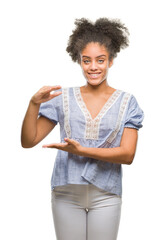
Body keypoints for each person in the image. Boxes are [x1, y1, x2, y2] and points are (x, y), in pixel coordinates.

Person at [21, 18, 144, 240]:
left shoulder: (127, 102)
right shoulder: (62, 98)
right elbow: (28, 141)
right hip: (66, 193)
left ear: (111, 61)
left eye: (100, 60)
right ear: (79, 61)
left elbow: (128, 155)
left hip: (106, 194)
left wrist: (82, 151)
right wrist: (33, 104)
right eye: (87, 61)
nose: (93, 67)